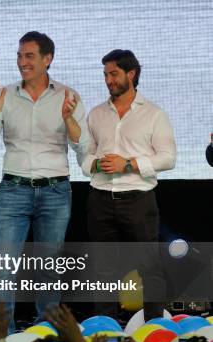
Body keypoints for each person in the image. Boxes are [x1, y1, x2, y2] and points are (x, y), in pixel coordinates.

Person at [0, 32, 89, 331]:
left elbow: (83, 146)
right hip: (13, 190)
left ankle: (45, 332)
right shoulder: (7, 95)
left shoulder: (68, 95)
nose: (21, 62)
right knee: (3, 269)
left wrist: (69, 119)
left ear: (47, 59)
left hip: (55, 191)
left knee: (48, 269)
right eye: (19, 56)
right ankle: (3, 337)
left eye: (28, 56)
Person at [82, 49, 176, 320]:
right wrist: (97, 164)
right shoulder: (96, 114)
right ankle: (107, 330)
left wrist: (129, 164)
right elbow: (85, 155)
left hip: (138, 200)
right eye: (105, 75)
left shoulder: (154, 114)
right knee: (103, 269)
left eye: (114, 74)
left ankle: (154, 326)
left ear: (131, 74)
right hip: (100, 199)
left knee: (148, 267)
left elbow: (168, 158)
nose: (108, 80)